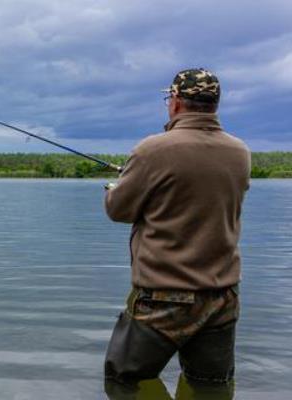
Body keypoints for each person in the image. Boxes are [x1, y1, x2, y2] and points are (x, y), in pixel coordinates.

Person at [102, 68, 251, 394]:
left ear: (176, 102)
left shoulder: (152, 150)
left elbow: (119, 210)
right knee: (210, 387)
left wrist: (115, 187)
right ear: (214, 104)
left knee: (122, 380)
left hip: (163, 298)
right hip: (223, 297)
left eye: (168, 98)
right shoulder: (240, 152)